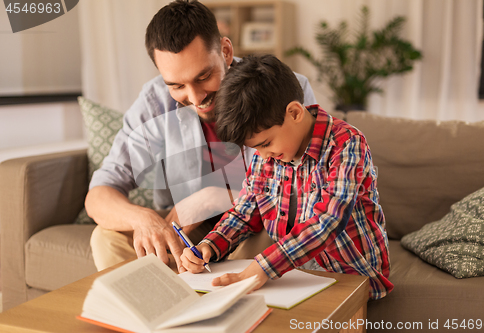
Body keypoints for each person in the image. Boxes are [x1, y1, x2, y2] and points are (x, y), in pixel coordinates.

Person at [85, 0, 317, 272]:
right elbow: (100, 193)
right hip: (190, 229)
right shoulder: (154, 101)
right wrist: (145, 219)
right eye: (176, 85)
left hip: (258, 221)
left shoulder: (285, 87)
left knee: (271, 237)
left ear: (226, 51)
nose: (195, 98)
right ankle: (164, 309)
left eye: (204, 76)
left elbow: (306, 190)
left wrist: (211, 198)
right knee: (105, 238)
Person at [180, 54, 393, 300]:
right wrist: (210, 245)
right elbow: (246, 211)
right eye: (255, 148)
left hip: (351, 272)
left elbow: (328, 220)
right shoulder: (267, 155)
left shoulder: (347, 144)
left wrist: (264, 267)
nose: (262, 155)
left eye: (265, 143)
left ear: (294, 113)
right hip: (291, 271)